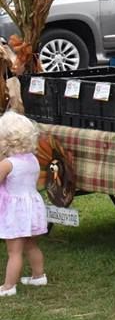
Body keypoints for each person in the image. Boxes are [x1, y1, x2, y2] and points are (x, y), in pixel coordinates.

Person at [0, 112, 47, 296]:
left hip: (16, 212)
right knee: (31, 246)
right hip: (32, 207)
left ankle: (8, 286)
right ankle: (38, 276)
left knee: (14, 251)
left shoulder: (7, 164)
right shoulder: (33, 160)